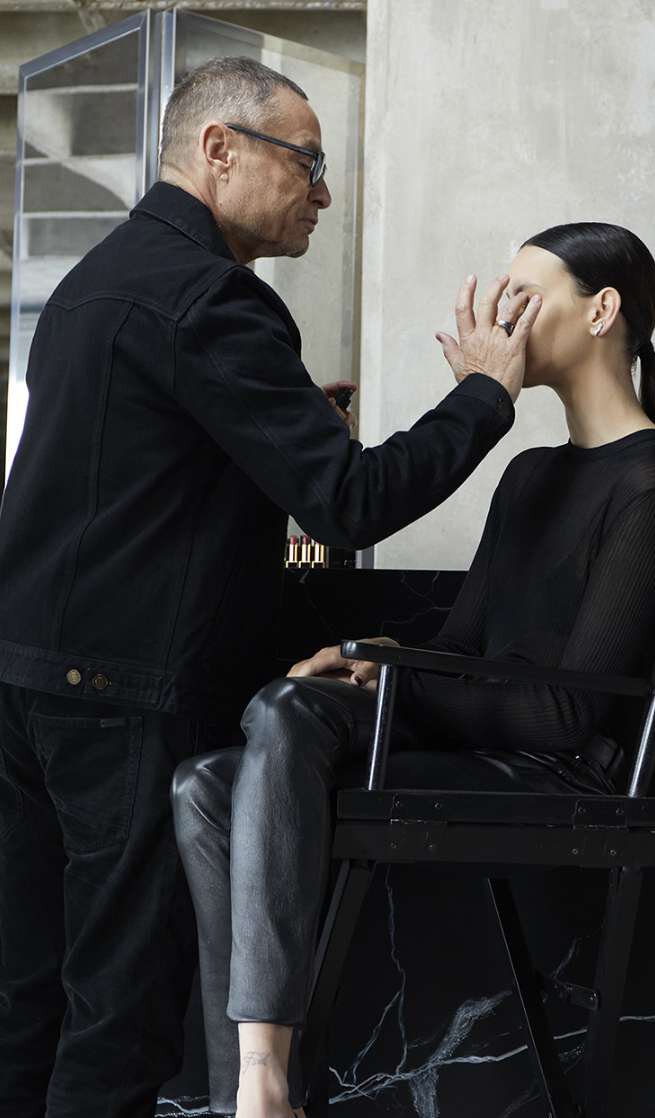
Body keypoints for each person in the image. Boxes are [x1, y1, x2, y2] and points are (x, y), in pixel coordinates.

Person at [0, 57, 539, 1118]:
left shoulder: (92, 283)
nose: (322, 195)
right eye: (309, 163)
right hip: (115, 701)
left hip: (21, 680)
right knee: (118, 1010)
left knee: (26, 996)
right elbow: (348, 498)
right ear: (219, 150)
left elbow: (138, 518)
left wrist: (269, 652)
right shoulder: (211, 298)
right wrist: (483, 392)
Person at [171, 221, 655, 1118]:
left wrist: (397, 682)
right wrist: (362, 664)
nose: (501, 318)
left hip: (554, 771)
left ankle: (261, 1085)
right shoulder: (532, 472)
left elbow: (565, 719)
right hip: (481, 737)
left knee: (284, 715)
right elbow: (457, 652)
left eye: (524, 297)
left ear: (603, 311)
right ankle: (251, 1092)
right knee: (205, 782)